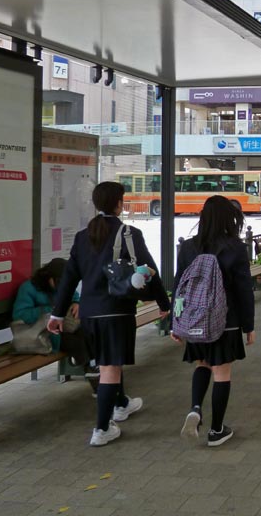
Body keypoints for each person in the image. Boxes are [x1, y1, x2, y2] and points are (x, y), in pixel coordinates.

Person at [48, 182, 171, 447]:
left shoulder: (83, 236)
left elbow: (70, 277)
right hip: (116, 312)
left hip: (90, 315)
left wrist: (57, 314)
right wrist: (164, 303)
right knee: (110, 369)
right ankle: (102, 429)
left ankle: (122, 404)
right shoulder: (129, 233)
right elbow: (150, 270)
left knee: (108, 362)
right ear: (119, 203)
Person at [172, 196, 255, 447]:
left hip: (195, 320)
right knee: (222, 372)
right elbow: (244, 290)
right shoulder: (235, 248)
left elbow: (179, 287)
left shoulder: (188, 247)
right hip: (225, 321)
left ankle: (195, 409)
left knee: (202, 364)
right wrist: (248, 326)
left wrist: (175, 323)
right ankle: (217, 430)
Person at [14, 258, 98, 393]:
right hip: (43, 333)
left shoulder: (62, 284)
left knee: (88, 333)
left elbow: (73, 295)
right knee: (77, 344)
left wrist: (77, 303)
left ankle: (96, 370)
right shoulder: (29, 288)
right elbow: (20, 314)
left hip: (61, 326)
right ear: (48, 277)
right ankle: (96, 381)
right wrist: (49, 310)